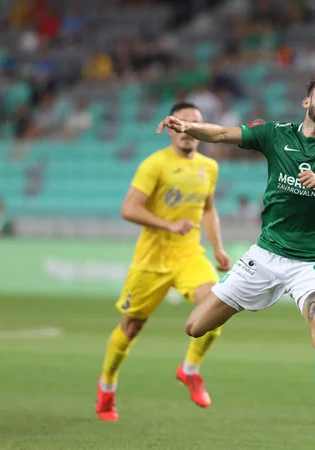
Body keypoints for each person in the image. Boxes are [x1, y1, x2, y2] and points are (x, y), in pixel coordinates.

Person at [156, 70, 315, 448]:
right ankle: (188, 366)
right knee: (195, 326)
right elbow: (221, 134)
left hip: (313, 263)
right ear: (307, 101)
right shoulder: (275, 133)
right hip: (265, 255)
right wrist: (187, 125)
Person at [95, 102, 232, 422]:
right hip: (152, 259)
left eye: (194, 123)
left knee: (218, 304)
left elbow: (208, 209)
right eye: (181, 122)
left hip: (189, 256)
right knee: (131, 327)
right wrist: (169, 225)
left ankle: (189, 369)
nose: (187, 128)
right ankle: (107, 386)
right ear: (171, 128)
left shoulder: (209, 167)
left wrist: (218, 248)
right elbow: (129, 208)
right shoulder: (154, 164)